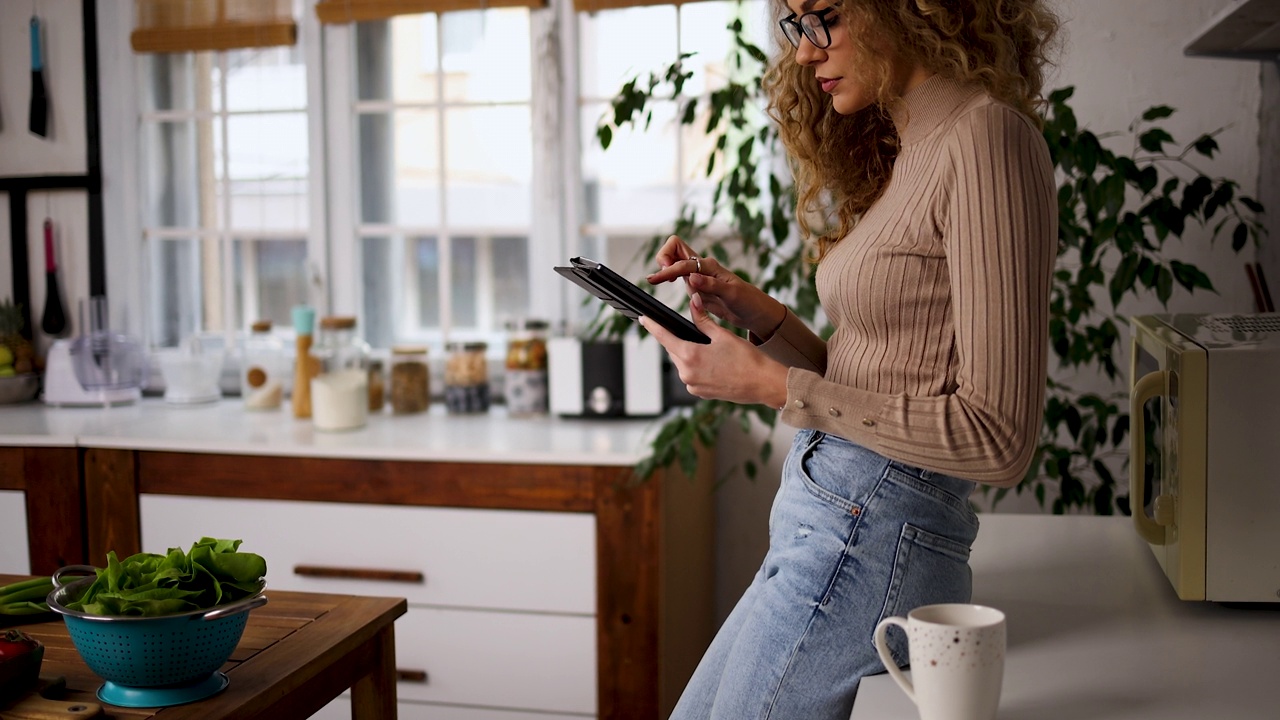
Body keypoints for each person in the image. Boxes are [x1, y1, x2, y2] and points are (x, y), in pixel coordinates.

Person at [638, 1, 1061, 718]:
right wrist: (754, 311)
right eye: (795, 25)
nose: (804, 52)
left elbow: (998, 439)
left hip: (870, 535)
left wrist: (773, 386)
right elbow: (876, 368)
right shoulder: (915, 145)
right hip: (824, 522)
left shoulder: (987, 139)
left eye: (822, 16)